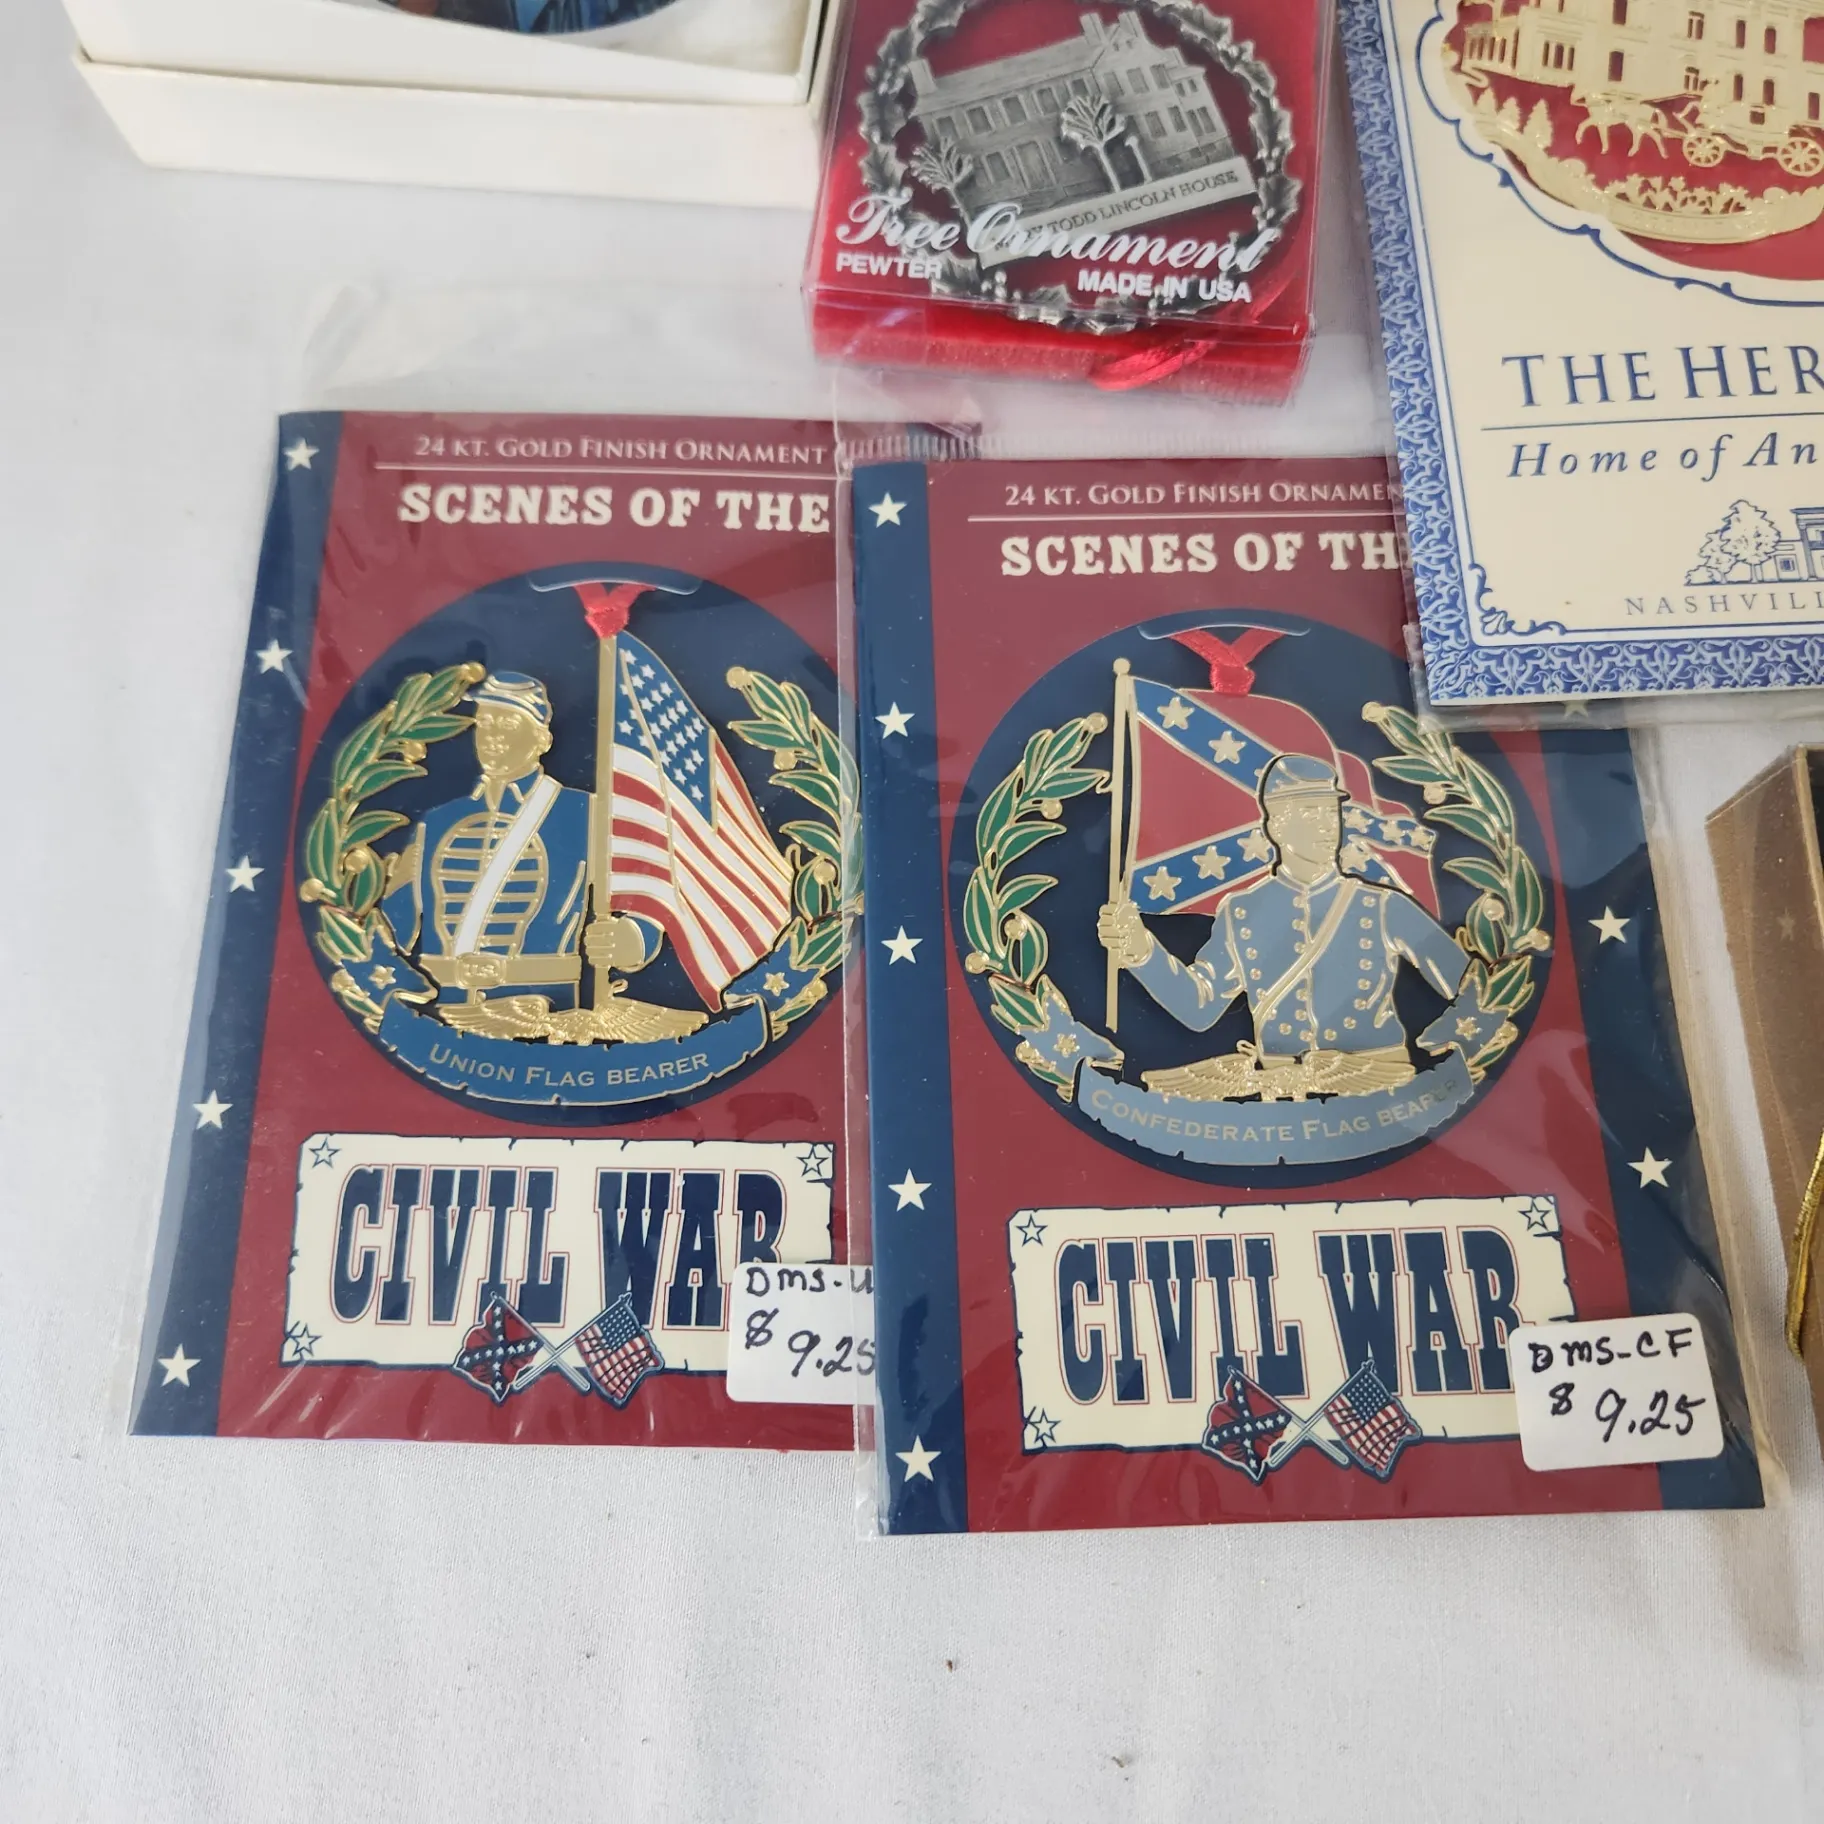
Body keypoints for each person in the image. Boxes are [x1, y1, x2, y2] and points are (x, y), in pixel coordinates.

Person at [1097, 753, 1470, 1101]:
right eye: (1310, 812)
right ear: (1276, 826)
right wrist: (1141, 952)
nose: (1327, 825)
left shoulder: (1383, 906)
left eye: (1332, 812)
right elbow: (1200, 1008)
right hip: (1280, 1100)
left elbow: (1469, 987)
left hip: (1379, 1088)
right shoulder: (1241, 911)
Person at [380, 672, 649, 1018]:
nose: (491, 736)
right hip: (443, 1008)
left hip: (543, 1011)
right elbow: (394, 923)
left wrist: (634, 939)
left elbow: (647, 892)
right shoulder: (438, 821)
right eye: (484, 723)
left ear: (543, 740)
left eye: (508, 724)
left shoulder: (586, 813)